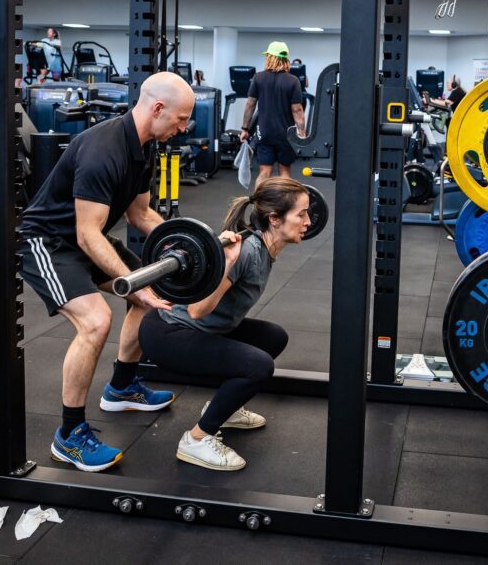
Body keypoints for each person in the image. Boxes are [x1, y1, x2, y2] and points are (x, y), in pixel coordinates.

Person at [17, 71, 194, 472]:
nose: (183, 128)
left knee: (152, 297)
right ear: (158, 108)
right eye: (180, 118)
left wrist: (192, 240)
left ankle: (122, 386)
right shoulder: (103, 149)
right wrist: (133, 284)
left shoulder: (145, 147)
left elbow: (140, 214)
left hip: (87, 237)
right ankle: (70, 435)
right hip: (47, 241)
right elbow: (85, 233)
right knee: (96, 321)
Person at [138, 177, 310, 470]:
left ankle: (226, 409)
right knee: (258, 366)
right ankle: (196, 439)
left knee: (273, 338)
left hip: (198, 328)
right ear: (275, 219)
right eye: (302, 214)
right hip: (169, 333)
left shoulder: (266, 248)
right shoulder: (246, 251)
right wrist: (227, 264)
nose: (308, 220)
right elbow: (196, 310)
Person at [239, 42, 307, 189]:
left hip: (264, 132)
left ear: (269, 57)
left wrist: (244, 128)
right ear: (286, 59)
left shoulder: (258, 78)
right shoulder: (293, 80)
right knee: (285, 174)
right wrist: (301, 132)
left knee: (264, 172)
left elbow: (250, 104)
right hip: (286, 134)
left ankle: (259, 207)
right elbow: (297, 110)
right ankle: (284, 208)